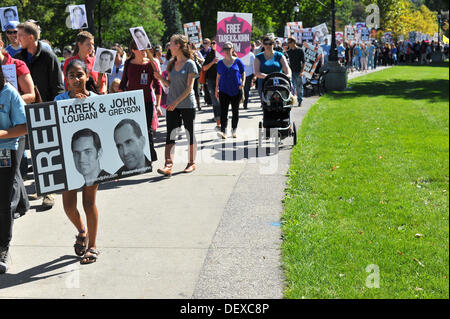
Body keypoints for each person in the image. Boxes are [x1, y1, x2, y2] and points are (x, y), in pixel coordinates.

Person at [54, 59, 100, 264]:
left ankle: (93, 246)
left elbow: (103, 129)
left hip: (90, 160)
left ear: (87, 76)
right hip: (69, 159)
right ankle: (82, 231)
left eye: (79, 74)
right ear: (66, 79)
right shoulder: (58, 100)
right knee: (69, 206)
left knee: (89, 203)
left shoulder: (97, 99)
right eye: (71, 75)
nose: (76, 79)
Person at [15, 21, 64, 208]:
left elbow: (58, 87)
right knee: (33, 153)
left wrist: (54, 110)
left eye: (20, 35)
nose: (17, 39)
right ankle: (40, 187)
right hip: (24, 111)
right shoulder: (18, 57)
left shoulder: (48, 57)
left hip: (46, 111)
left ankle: (49, 192)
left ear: (30, 37)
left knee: (47, 152)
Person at [154, 34, 198, 176]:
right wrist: (160, 78)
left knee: (189, 132)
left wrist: (175, 102)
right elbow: (171, 85)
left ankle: (191, 163)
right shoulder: (171, 62)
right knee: (170, 134)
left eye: (171, 43)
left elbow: (189, 88)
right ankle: (168, 165)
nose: (169, 46)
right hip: (172, 104)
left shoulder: (190, 64)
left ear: (178, 45)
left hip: (186, 104)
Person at [0, 66, 28, 274]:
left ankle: (3, 247)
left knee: (3, 202)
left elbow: (24, 126)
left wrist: (1, 134)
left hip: (5, 152)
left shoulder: (9, 93)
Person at [119, 39, 162, 163]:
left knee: (147, 130)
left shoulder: (150, 64)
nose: (144, 51)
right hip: (132, 103)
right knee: (133, 131)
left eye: (145, 49)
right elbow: (123, 83)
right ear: (133, 50)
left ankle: (150, 156)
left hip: (147, 101)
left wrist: (158, 105)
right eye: (141, 49)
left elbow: (157, 85)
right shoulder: (128, 63)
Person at [215, 42, 245, 139]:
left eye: (228, 48)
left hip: (236, 90)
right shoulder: (220, 63)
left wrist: (243, 82)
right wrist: (216, 88)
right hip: (223, 90)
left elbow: (243, 72)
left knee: (235, 111)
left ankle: (234, 130)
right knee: (224, 112)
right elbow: (218, 76)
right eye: (225, 49)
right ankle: (223, 131)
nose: (227, 50)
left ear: (232, 49)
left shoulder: (238, 61)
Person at [254, 34, 291, 100]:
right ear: (263, 44)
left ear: (273, 44)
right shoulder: (258, 57)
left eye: (270, 43)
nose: (268, 45)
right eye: (266, 43)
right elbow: (257, 72)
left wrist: (288, 75)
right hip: (264, 83)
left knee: (284, 100)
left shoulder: (279, 55)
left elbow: (286, 67)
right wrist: (268, 77)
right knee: (267, 104)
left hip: (279, 82)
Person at [202, 39, 221, 130]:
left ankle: (222, 116)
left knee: (221, 99)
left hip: (222, 80)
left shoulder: (223, 53)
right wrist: (213, 62)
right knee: (214, 99)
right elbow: (204, 68)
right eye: (212, 43)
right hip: (211, 80)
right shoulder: (209, 54)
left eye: (214, 43)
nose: (213, 45)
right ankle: (217, 118)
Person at [286, 36, 305, 106]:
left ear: (294, 42)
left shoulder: (300, 50)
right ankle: (291, 101)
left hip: (298, 71)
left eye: (289, 43)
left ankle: (300, 101)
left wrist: (302, 71)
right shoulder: (288, 52)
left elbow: (303, 62)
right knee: (291, 87)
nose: (288, 44)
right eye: (288, 43)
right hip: (290, 72)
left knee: (299, 87)